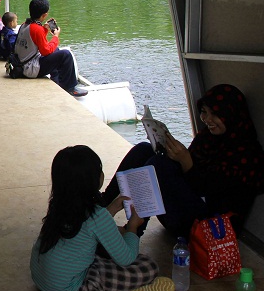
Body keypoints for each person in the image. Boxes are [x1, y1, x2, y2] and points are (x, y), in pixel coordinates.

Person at [103, 84, 264, 237]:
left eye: (215, 114)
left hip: (210, 229)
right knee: (144, 149)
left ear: (230, 114)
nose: (207, 119)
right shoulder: (207, 139)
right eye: (204, 112)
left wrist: (185, 160)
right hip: (184, 211)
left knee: (158, 165)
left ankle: (133, 231)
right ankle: (101, 207)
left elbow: (208, 191)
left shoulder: (246, 154)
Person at [30, 146, 174, 291]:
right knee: (148, 267)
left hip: (41, 279)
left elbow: (85, 227)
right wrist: (133, 227)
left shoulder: (59, 204)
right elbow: (126, 259)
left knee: (99, 249)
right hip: (70, 288)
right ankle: (121, 288)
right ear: (92, 180)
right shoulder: (97, 215)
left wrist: (111, 209)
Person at [14, 0, 87, 97]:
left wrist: (45, 29)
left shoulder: (25, 24)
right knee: (66, 54)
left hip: (22, 64)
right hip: (29, 69)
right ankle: (69, 87)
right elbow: (46, 51)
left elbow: (35, 39)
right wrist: (56, 37)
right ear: (45, 15)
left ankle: (56, 81)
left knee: (56, 51)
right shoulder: (36, 29)